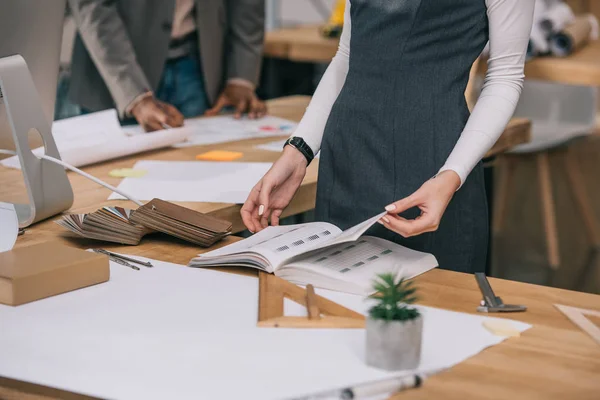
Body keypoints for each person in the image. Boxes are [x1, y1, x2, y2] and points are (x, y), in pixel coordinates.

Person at [242, 0, 535, 274]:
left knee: (432, 310)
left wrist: (451, 176)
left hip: (432, 167)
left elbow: (505, 76)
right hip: (346, 161)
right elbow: (347, 56)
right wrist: (299, 150)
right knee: (337, 308)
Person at [68, 0, 266, 131]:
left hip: (200, 67)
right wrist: (132, 94)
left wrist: (241, 77)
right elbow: (91, 6)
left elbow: (248, 5)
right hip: (112, 76)